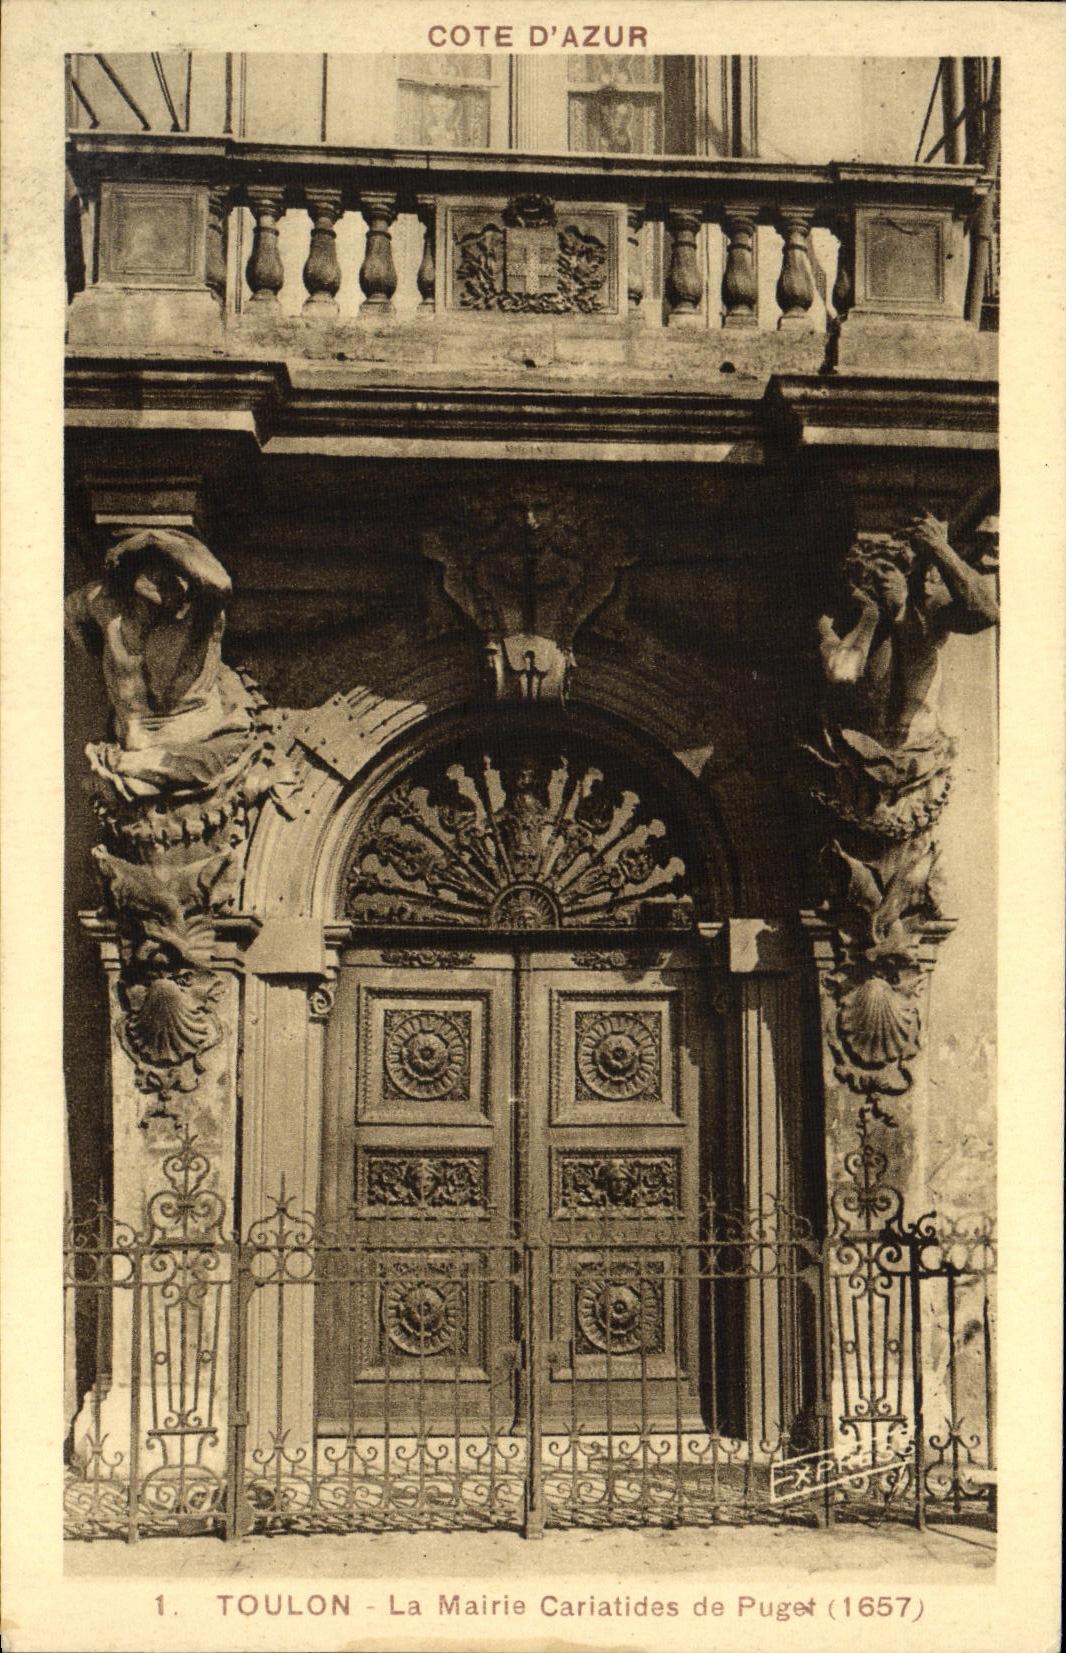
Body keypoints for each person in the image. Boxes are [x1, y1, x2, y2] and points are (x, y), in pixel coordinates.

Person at [65, 528, 255, 802]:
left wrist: (153, 540)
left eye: (179, 573)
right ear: (134, 573)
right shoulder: (103, 604)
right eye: (159, 573)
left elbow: (220, 583)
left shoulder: (200, 616)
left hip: (187, 749)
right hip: (128, 750)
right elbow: (69, 614)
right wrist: (98, 656)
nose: (172, 585)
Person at [818, 512, 999, 753]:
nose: (881, 579)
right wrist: (870, 616)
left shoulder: (929, 610)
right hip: (855, 752)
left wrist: (939, 548)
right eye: (870, 574)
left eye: (887, 569)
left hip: (918, 751)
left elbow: (986, 613)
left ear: (906, 574)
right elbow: (843, 672)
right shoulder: (836, 621)